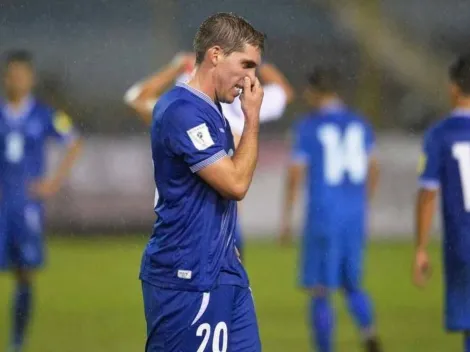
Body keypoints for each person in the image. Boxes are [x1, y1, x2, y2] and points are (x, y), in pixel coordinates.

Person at [139, 13, 264, 351]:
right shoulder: (181, 110)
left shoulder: (213, 110)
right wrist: (253, 118)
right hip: (186, 275)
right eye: (247, 65)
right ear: (216, 55)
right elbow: (236, 185)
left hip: (224, 270)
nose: (252, 79)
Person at [124, 52, 293, 259]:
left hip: (186, 225)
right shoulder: (241, 105)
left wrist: (175, 67)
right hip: (225, 224)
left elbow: (136, 98)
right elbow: (284, 91)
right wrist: (258, 64)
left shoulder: (178, 116)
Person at [280, 67, 381, 352]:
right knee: (352, 283)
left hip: (324, 214)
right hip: (353, 214)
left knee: (320, 288)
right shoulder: (360, 123)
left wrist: (286, 217)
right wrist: (362, 202)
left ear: (314, 92)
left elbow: (296, 174)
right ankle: (368, 331)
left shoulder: (308, 127)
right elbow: (374, 168)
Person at [0, 50, 82, 352]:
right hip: (1, 204)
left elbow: (74, 142)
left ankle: (16, 341)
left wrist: (53, 182)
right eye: (12, 75)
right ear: (5, 78)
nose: (17, 80)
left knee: (24, 273)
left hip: (27, 207)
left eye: (22, 75)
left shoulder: (45, 115)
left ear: (30, 79)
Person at [414, 54, 470, 352]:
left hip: (464, 245)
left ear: (453, 88)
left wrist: (421, 248)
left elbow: (427, 194)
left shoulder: (441, 133)